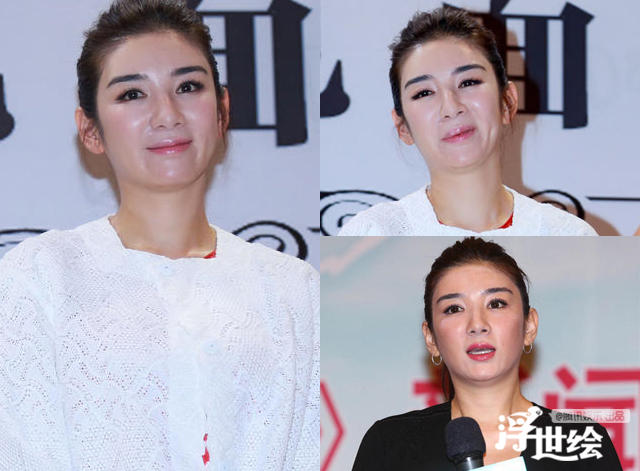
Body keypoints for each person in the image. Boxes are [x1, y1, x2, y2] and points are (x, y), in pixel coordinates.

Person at [0, 1, 318, 469]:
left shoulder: (294, 289)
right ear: (90, 130)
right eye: (132, 94)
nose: (167, 114)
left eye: (188, 87)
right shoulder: (41, 278)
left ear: (222, 110)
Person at [352, 238, 622, 470]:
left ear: (529, 326)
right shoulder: (390, 444)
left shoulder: (582, 442)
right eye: (454, 309)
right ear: (431, 338)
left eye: (496, 304)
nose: (477, 324)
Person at [338, 8, 597, 236]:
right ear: (402, 127)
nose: (451, 108)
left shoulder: (569, 236)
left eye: (468, 82)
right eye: (424, 93)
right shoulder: (371, 234)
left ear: (507, 101)